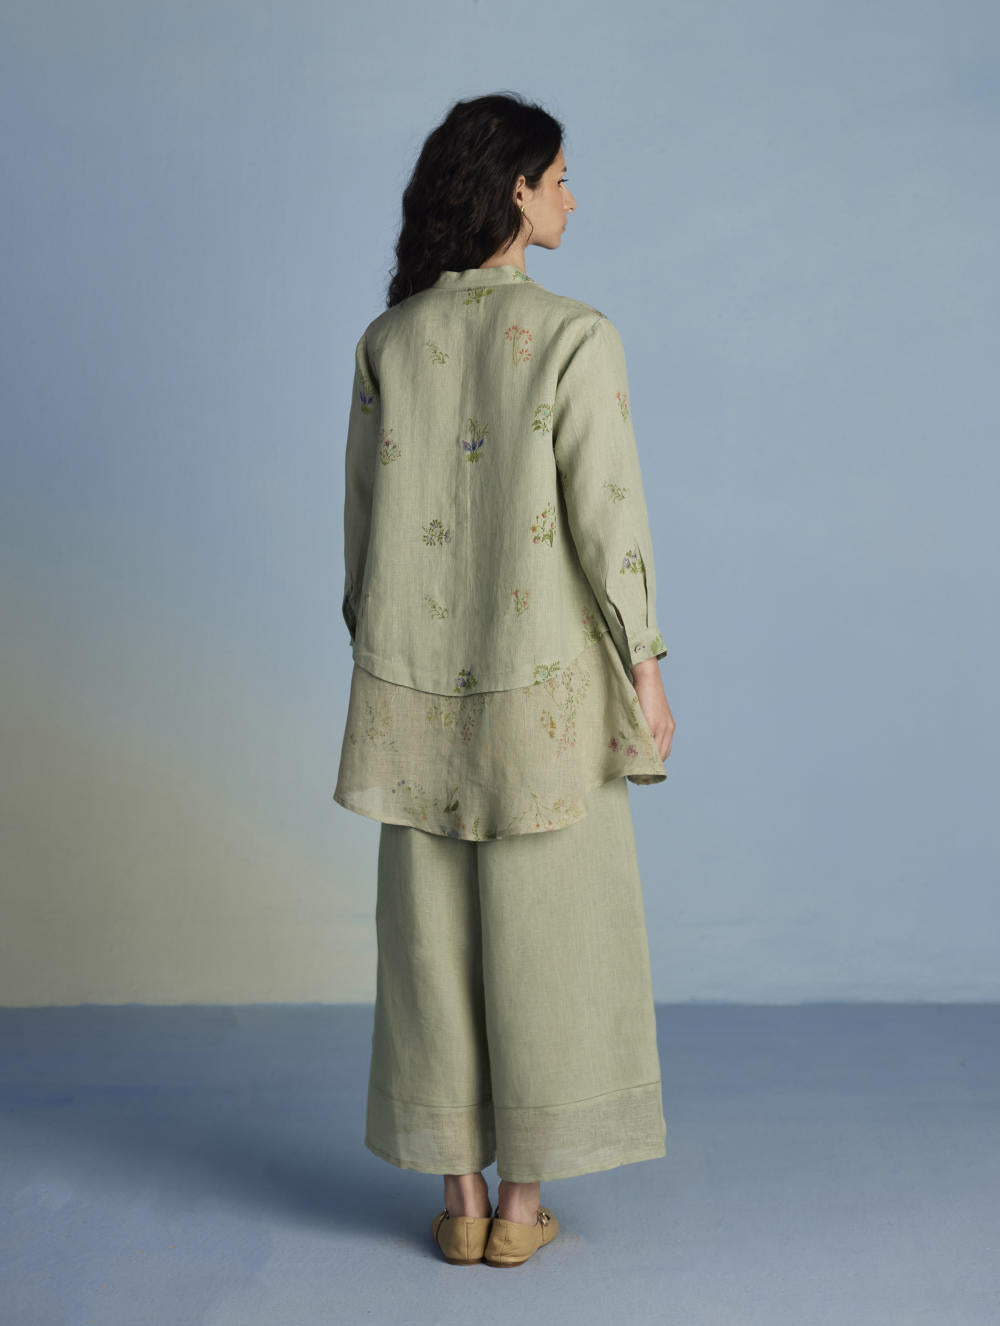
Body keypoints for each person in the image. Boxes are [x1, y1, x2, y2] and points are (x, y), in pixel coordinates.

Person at [333, 91, 676, 1268]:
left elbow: (362, 541)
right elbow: (609, 523)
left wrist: (391, 656)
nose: (574, 196)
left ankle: (459, 1200)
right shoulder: (577, 334)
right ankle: (521, 1211)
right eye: (561, 177)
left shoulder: (387, 341)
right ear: (516, 193)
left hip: (410, 688)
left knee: (427, 945)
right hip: (546, 692)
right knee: (551, 933)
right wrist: (645, 669)